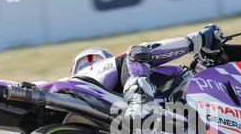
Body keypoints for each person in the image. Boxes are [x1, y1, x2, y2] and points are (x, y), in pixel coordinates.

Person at [71, 24, 224, 121]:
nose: (92, 65)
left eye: (95, 61)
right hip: (97, 103)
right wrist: (198, 41)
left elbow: (180, 73)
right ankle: (141, 103)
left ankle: (143, 105)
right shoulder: (91, 76)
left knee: (139, 55)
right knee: (137, 53)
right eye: (86, 64)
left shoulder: (132, 69)